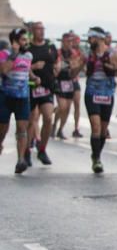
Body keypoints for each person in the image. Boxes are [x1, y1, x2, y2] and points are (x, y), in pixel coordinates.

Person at [82, 27, 117, 173]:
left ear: (99, 38)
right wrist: (80, 65)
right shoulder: (88, 54)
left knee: (103, 130)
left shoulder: (113, 54)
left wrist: (113, 70)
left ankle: (96, 154)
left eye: (91, 38)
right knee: (96, 126)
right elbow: (74, 71)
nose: (89, 40)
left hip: (107, 94)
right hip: (91, 92)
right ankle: (97, 159)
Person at [0, 28, 39, 173]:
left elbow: (28, 71)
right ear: (15, 41)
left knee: (22, 129)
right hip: (5, 96)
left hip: (22, 98)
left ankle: (20, 160)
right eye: (23, 39)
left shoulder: (28, 55)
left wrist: (35, 78)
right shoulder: (4, 54)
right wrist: (14, 55)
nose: (26, 42)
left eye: (26, 39)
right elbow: (4, 70)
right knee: (2, 130)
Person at [27, 21, 59, 166]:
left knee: (48, 118)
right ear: (33, 31)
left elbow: (56, 61)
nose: (41, 32)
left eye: (42, 29)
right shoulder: (28, 48)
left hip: (46, 88)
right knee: (31, 120)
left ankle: (42, 149)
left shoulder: (50, 47)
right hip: (31, 87)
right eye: (38, 29)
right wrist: (33, 67)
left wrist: (57, 68)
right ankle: (26, 151)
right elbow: (22, 64)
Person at [53, 32, 83, 141]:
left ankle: (60, 129)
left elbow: (75, 67)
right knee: (62, 107)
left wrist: (77, 65)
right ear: (63, 42)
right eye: (68, 41)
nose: (70, 43)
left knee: (68, 108)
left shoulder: (74, 53)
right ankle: (54, 124)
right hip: (59, 81)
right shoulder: (57, 53)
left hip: (70, 82)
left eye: (71, 41)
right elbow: (55, 66)